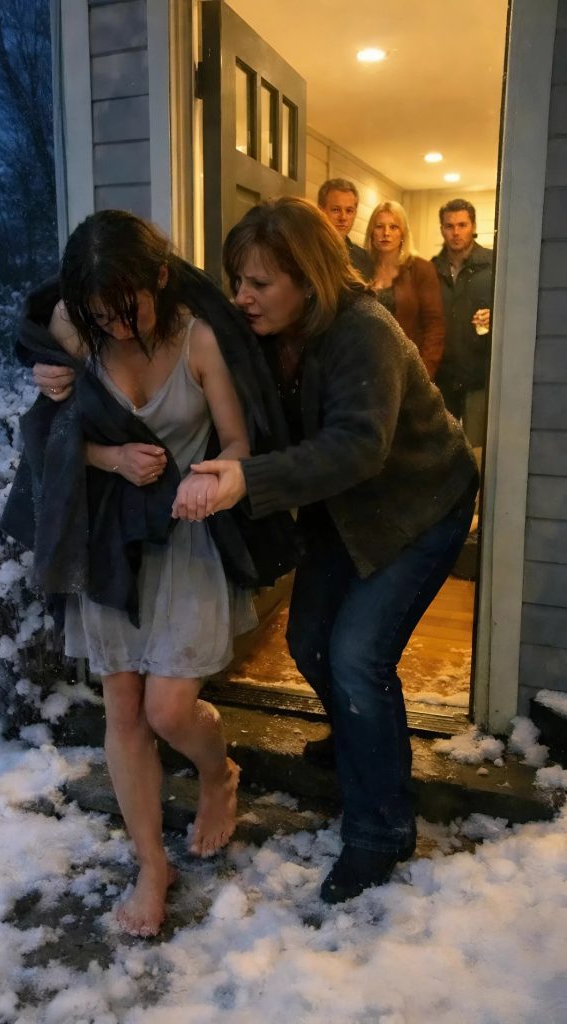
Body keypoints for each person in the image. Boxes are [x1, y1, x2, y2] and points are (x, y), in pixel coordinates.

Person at [1, 210, 297, 937]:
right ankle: (151, 866)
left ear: (159, 278)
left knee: (169, 711)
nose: (117, 327)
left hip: (185, 538)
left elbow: (239, 440)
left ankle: (218, 773)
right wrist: (105, 453)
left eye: (127, 308)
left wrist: (212, 477)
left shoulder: (199, 339)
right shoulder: (77, 330)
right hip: (111, 542)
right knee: (124, 711)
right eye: (100, 314)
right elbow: (48, 442)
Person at [175, 196, 479, 903]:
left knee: (357, 658)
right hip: (345, 510)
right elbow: (157, 285)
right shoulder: (264, 329)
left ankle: (381, 829)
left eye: (259, 283)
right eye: (238, 281)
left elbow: (358, 446)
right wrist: (46, 352)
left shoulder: (363, 330)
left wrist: (249, 478)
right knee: (309, 640)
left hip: (422, 504)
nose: (242, 297)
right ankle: (358, 739)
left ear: (308, 281)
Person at [432, 198, 493, 447]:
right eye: (449, 226)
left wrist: (496, 317)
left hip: (479, 376)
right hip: (441, 378)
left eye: (462, 225)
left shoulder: (494, 264)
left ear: (473, 226)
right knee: (441, 449)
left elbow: (515, 309)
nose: (456, 232)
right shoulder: (430, 269)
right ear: (442, 229)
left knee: (476, 450)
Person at [364, 200, 445, 380]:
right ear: (371, 232)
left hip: (407, 370)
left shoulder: (421, 269)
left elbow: (435, 327)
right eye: (379, 226)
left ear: (403, 233)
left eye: (393, 227)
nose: (386, 233)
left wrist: (422, 374)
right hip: (365, 368)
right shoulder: (360, 268)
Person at [317, 177, 374, 280]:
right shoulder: (304, 251)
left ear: (355, 213)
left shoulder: (364, 259)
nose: (343, 217)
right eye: (336, 210)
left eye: (349, 211)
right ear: (320, 211)